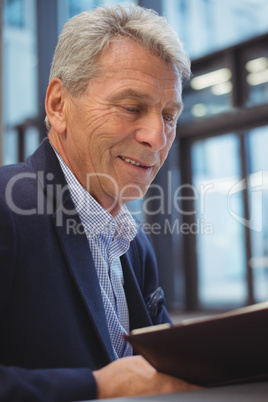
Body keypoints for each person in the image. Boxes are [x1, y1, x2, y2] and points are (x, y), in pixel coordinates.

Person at [0, 4, 197, 401]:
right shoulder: (8, 209)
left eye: (170, 115)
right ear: (58, 105)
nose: (157, 138)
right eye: (131, 107)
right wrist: (98, 386)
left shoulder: (135, 244)